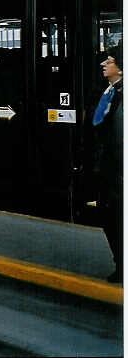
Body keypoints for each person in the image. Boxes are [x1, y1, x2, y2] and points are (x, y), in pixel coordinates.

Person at [92, 45, 123, 283]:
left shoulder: (120, 95)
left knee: (115, 217)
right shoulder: (110, 91)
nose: (104, 64)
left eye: (110, 61)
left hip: (117, 170)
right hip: (108, 168)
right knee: (109, 215)